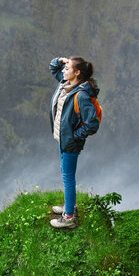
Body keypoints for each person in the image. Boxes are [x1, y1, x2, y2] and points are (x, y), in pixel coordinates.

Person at [49, 56, 100, 229]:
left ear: (77, 73)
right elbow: (53, 68)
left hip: (69, 142)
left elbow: (92, 124)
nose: (63, 70)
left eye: (68, 68)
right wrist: (61, 60)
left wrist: (74, 136)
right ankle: (69, 206)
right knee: (65, 172)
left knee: (68, 178)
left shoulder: (81, 95)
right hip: (63, 139)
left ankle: (69, 217)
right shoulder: (66, 84)